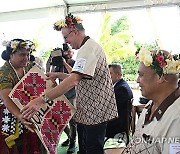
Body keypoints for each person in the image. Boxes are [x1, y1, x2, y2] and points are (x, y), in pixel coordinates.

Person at [21, 13, 118, 154]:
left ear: (75, 32)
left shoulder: (88, 49)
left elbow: (74, 80)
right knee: (84, 149)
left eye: (66, 37)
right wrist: (58, 74)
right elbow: (81, 76)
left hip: (95, 112)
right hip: (88, 112)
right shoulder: (87, 47)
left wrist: (40, 100)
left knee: (92, 150)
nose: (66, 42)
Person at [121, 49, 180, 154]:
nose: (137, 80)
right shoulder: (150, 104)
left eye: (141, 75)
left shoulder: (176, 117)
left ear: (160, 77)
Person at [0, 39, 46, 154]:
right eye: (22, 55)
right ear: (11, 55)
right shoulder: (3, 73)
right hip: (10, 115)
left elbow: (40, 85)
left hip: (28, 113)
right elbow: (6, 98)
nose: (26, 58)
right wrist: (20, 116)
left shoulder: (29, 67)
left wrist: (50, 84)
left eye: (28, 54)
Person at [50, 44, 77, 153]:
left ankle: (72, 143)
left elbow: (74, 75)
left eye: (68, 51)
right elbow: (51, 78)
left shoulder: (75, 63)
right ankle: (69, 136)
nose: (66, 53)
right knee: (59, 119)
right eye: (64, 52)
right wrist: (51, 62)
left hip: (73, 95)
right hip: (62, 95)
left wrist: (65, 63)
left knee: (73, 121)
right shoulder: (57, 65)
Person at [106, 64, 133, 145]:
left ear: (118, 74)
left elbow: (111, 109)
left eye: (110, 73)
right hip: (116, 122)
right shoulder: (120, 85)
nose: (107, 76)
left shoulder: (121, 89)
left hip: (117, 127)